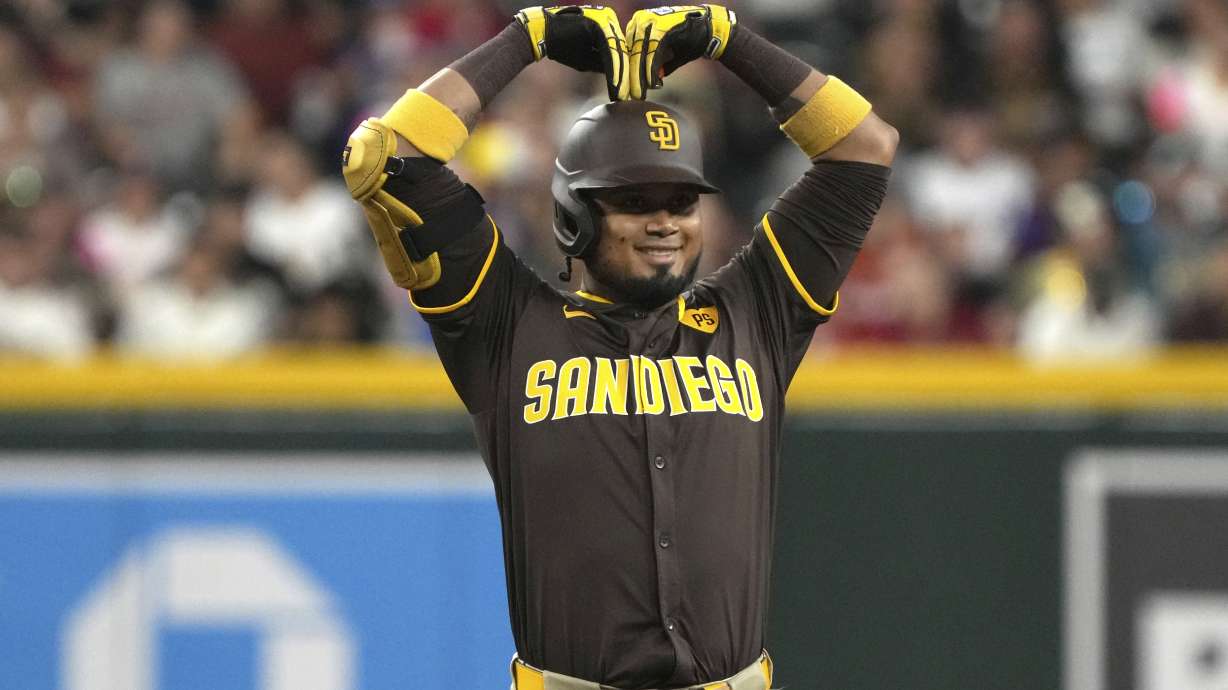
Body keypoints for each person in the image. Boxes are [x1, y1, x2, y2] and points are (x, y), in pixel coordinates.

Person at [342, 5, 897, 689]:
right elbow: (384, 156)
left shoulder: (756, 310)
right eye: (635, 200)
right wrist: (529, 38)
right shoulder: (506, 323)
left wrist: (730, 40)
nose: (665, 221)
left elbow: (864, 146)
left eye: (681, 200)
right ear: (574, 215)